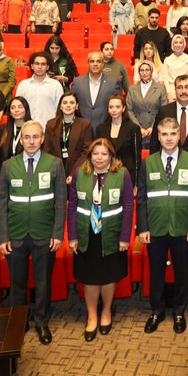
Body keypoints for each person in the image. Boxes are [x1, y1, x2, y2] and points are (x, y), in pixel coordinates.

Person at [0, 120, 65, 344]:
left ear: (42, 138)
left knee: (43, 282)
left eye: (36, 137)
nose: (31, 141)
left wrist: (57, 233)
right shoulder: (8, 165)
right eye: (27, 137)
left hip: (44, 234)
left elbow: (62, 202)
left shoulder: (54, 164)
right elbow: (1, 202)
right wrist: (3, 236)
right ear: (21, 139)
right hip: (15, 234)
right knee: (17, 283)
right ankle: (19, 322)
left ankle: (42, 322)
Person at [137, 117, 188, 333]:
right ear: (158, 136)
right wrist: (142, 227)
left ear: (179, 136)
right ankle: (156, 311)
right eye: (164, 134)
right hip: (155, 228)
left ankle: (179, 312)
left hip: (182, 228)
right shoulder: (148, 162)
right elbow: (142, 198)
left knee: (181, 271)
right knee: (156, 271)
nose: (168, 138)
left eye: (172, 133)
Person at [68, 138, 133, 341]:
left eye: (104, 154)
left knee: (108, 275)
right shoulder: (80, 173)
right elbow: (72, 207)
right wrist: (72, 236)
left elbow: (129, 207)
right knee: (89, 277)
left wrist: (124, 237)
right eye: (95, 153)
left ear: (111, 156)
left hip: (111, 234)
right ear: (90, 156)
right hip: (86, 233)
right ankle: (92, 316)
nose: (99, 158)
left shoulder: (122, 174)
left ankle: (106, 312)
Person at [95, 93, 143, 182]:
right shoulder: (101, 129)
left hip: (127, 175)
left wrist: (136, 183)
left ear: (123, 108)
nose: (114, 110)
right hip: (105, 174)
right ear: (108, 109)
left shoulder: (133, 128)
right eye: (111, 107)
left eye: (117, 107)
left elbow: (137, 158)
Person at [45, 92, 93, 179]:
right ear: (60, 106)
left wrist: (74, 173)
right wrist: (54, 170)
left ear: (77, 106)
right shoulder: (51, 124)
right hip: (55, 170)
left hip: (77, 170)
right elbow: (47, 150)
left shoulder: (85, 124)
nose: (68, 105)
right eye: (65, 103)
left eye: (72, 103)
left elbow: (86, 152)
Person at [70, 51, 121, 126]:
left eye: (98, 61)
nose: (95, 64)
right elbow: (71, 103)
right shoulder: (77, 82)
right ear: (88, 63)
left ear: (103, 64)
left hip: (105, 127)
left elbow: (119, 105)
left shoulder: (113, 83)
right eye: (92, 61)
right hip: (82, 128)